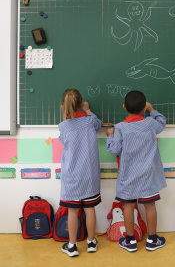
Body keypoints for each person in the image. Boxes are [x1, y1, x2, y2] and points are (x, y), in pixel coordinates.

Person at [106, 90, 167, 252]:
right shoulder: (150, 124)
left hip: (128, 176)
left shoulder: (119, 128)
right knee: (150, 206)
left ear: (124, 107)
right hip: (148, 175)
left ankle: (130, 241)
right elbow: (162, 121)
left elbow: (114, 149)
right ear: (143, 108)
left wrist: (109, 135)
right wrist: (152, 110)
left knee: (128, 206)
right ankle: (153, 240)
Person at [58, 88, 102, 257]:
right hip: (89, 176)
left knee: (72, 211)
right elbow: (98, 124)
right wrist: (88, 110)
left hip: (72, 177)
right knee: (90, 209)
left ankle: (72, 246)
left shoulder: (63, 126)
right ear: (81, 103)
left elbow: (64, 141)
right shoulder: (90, 121)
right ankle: (91, 242)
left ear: (64, 106)